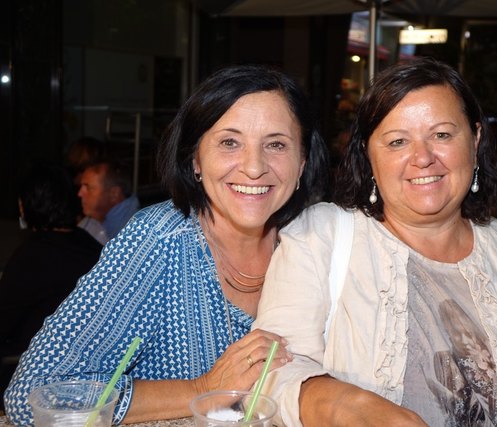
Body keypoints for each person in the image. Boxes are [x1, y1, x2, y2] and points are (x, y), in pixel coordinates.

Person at [253, 57, 497, 426]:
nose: (422, 158)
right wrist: (344, 403)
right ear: (369, 156)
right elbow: (271, 373)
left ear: (475, 140)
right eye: (397, 141)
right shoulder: (319, 238)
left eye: (442, 135)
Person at [3, 64, 330, 425]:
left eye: (276, 144)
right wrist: (202, 388)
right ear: (195, 159)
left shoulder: (315, 244)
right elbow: (33, 392)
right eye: (229, 142)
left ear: (302, 162)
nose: (254, 167)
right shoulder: (159, 241)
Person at [0, 163, 102, 410]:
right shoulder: (90, 244)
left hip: (29, 376)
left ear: (27, 204)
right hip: (88, 371)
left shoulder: (31, 255)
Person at [77, 159, 140, 245]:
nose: (80, 194)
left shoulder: (135, 232)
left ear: (114, 194)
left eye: (88, 188)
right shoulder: (92, 220)